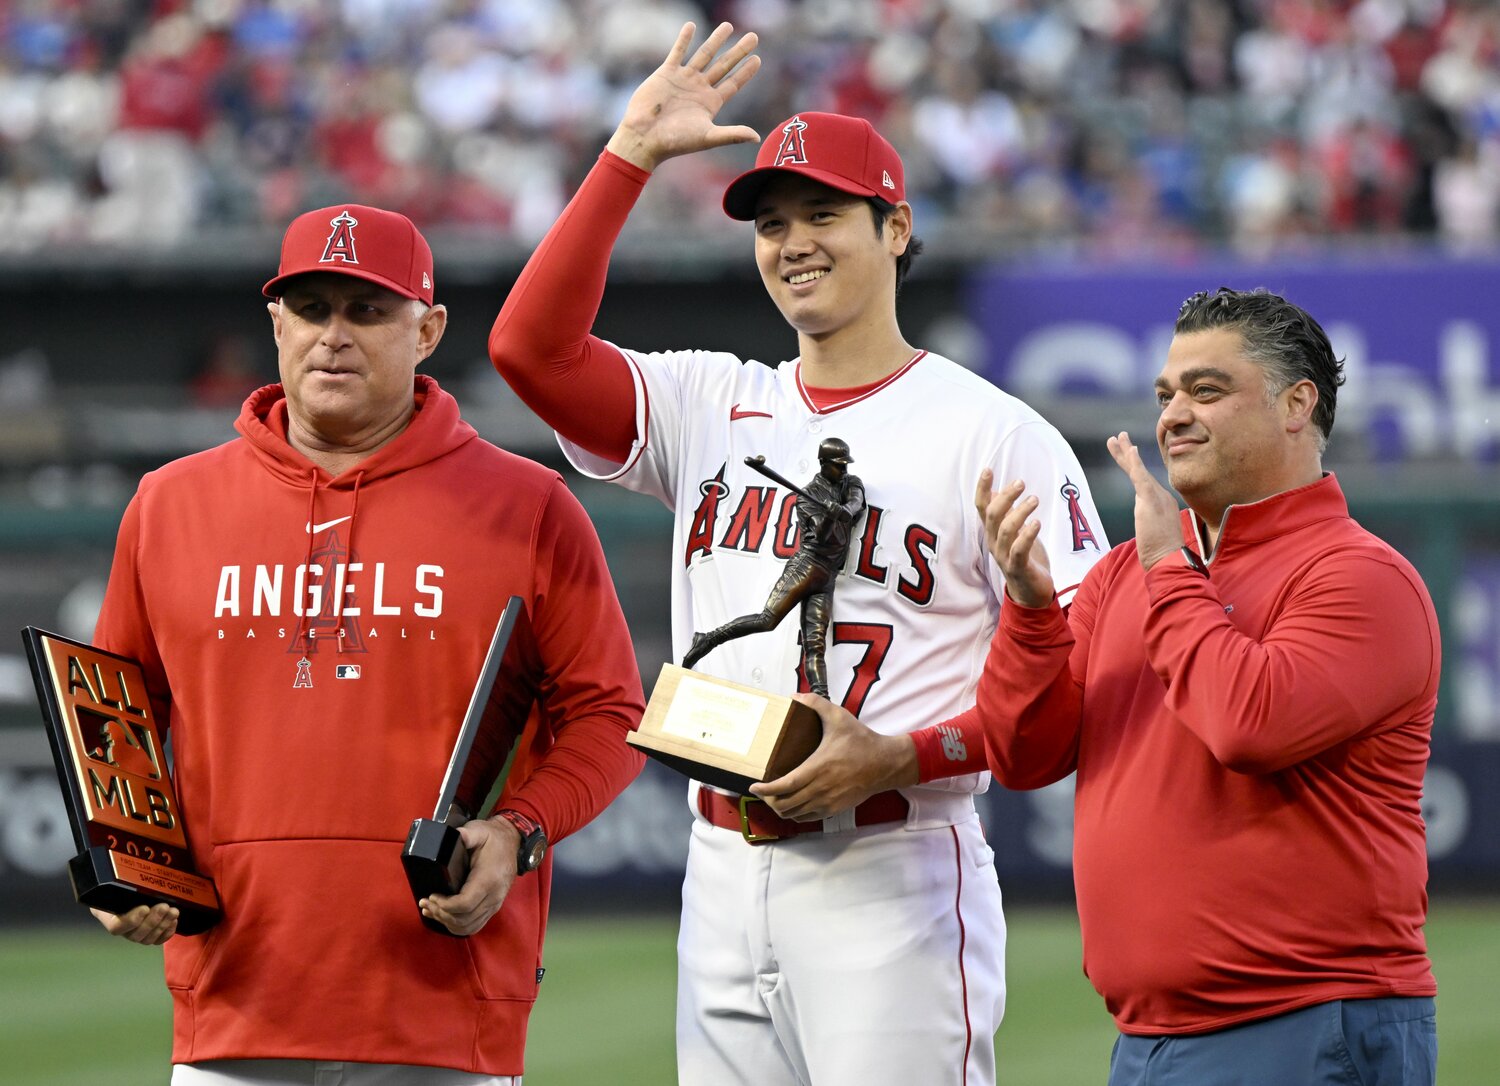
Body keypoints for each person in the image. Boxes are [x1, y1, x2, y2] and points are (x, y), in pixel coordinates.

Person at [488, 22, 1107, 1085]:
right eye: (771, 224)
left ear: (896, 227)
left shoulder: (993, 434)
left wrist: (908, 754)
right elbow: (528, 350)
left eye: (824, 213)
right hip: (720, 862)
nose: (793, 243)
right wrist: (627, 152)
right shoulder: (712, 400)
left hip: (895, 861)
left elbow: (1091, 676)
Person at [90, 202, 647, 1085]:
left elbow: (611, 714)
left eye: (368, 311)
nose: (334, 336)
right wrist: (128, 859)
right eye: (311, 310)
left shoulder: (530, 505)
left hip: (443, 1001)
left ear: (427, 330)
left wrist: (517, 832)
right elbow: (112, 715)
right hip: (235, 1000)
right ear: (276, 324)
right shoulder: (167, 505)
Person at [975, 286, 1440, 1085]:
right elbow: (1024, 753)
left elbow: (1247, 723)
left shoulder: (1363, 578)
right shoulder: (1130, 571)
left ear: (1298, 405)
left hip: (1307, 1019)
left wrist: (1167, 568)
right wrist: (1029, 612)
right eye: (1165, 394)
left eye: (1207, 390)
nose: (1173, 414)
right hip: (1148, 1037)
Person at [682, 438, 866, 697]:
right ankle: (709, 638)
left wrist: (844, 509)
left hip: (827, 576)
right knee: (767, 620)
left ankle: (821, 701)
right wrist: (829, 517)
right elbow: (825, 537)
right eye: (838, 465)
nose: (844, 470)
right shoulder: (806, 497)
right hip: (807, 567)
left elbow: (857, 500)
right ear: (824, 464)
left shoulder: (849, 482)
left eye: (845, 464)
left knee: (815, 643)